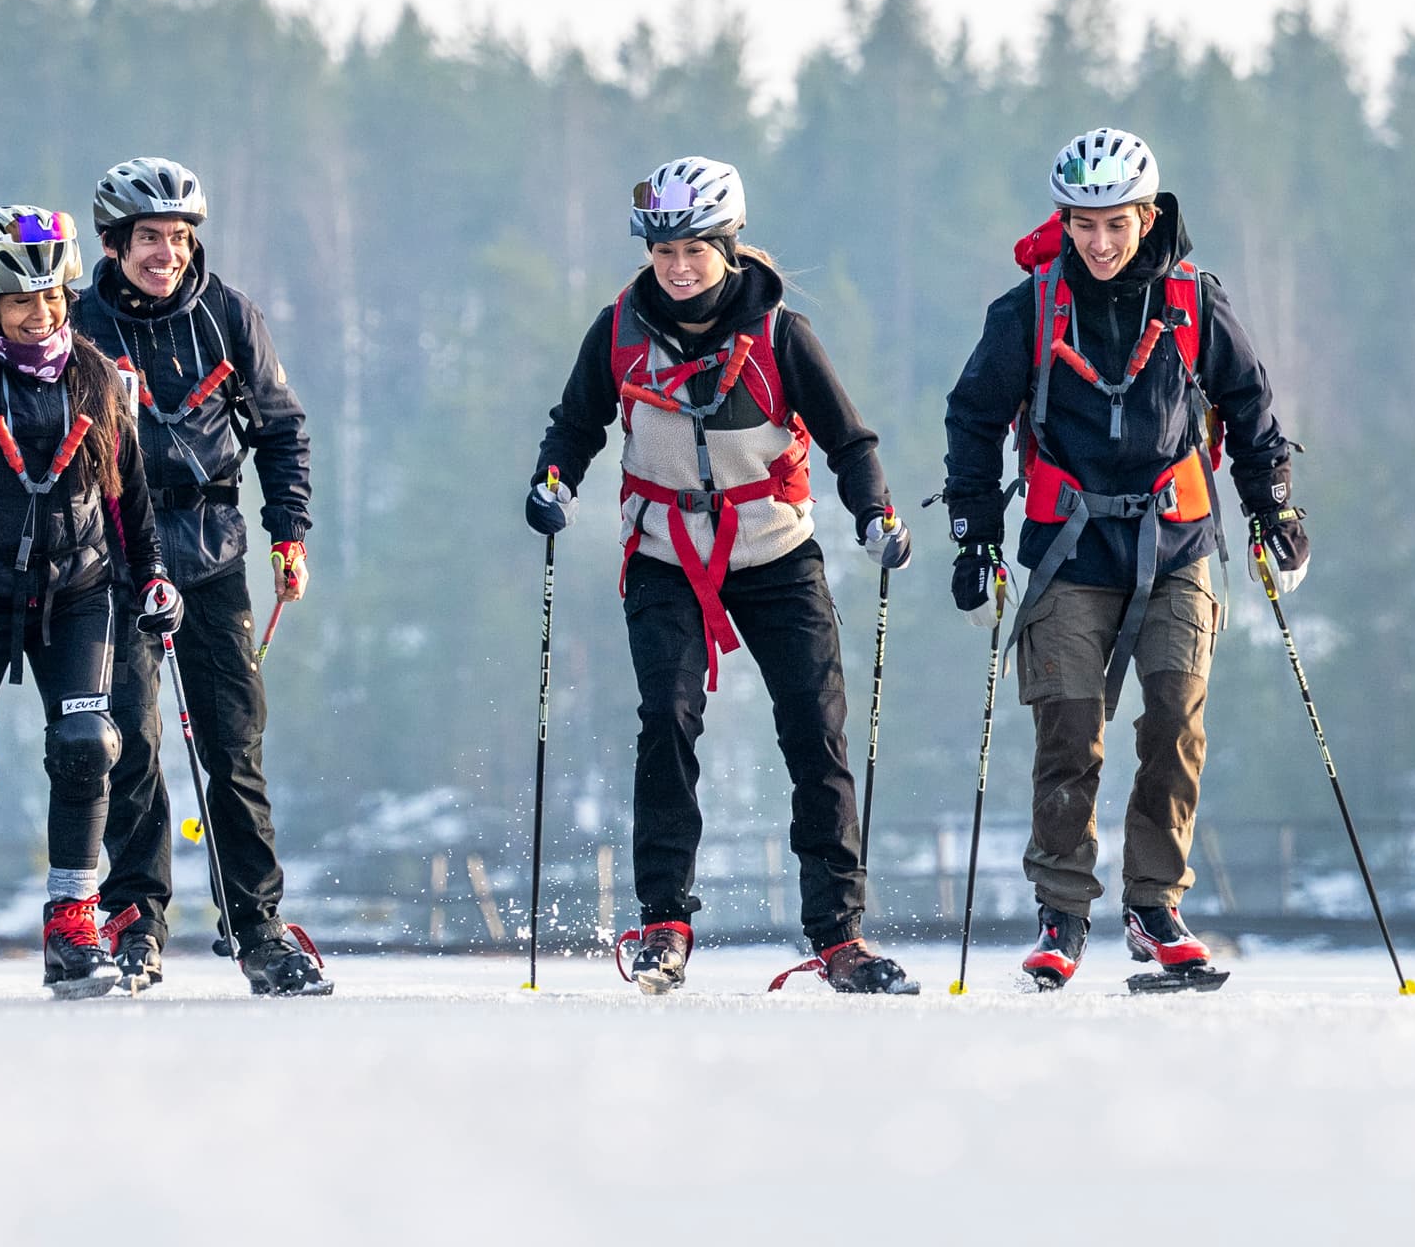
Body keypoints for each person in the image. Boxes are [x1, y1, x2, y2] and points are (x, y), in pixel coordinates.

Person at [527, 157, 919, 995]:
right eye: (663, 250)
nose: (676, 267)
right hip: (665, 553)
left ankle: (840, 936)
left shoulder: (782, 335)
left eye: (694, 251)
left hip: (776, 553)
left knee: (816, 732)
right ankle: (663, 924)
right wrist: (550, 482)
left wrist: (876, 513)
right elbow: (576, 424)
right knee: (666, 719)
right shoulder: (618, 330)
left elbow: (851, 442)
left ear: (729, 247)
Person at [938, 126, 1303, 992]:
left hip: (1176, 543)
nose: (1099, 243)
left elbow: (1249, 407)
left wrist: (1274, 512)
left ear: (1148, 215)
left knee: (1175, 719)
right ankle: (1063, 914)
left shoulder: (1194, 303)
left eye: (1116, 224)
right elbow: (972, 419)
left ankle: (1155, 907)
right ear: (1064, 221)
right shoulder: (1026, 311)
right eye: (1083, 225)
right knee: (1068, 730)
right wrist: (975, 530)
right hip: (1069, 549)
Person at [0, 205, 180, 1000]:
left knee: (88, 744)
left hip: (76, 593)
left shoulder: (97, 375)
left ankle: (73, 925)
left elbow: (131, 499)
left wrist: (152, 576)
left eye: (52, 296)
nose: (40, 313)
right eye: (20, 301)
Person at [72, 156, 330, 997]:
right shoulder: (76, 327)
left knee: (234, 749)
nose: (168, 254)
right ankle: (136, 923)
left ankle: (256, 928)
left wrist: (288, 532)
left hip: (216, 558)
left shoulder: (230, 317)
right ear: (114, 244)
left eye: (180, 239)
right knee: (130, 747)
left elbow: (281, 431)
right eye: (151, 238)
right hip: (112, 566)